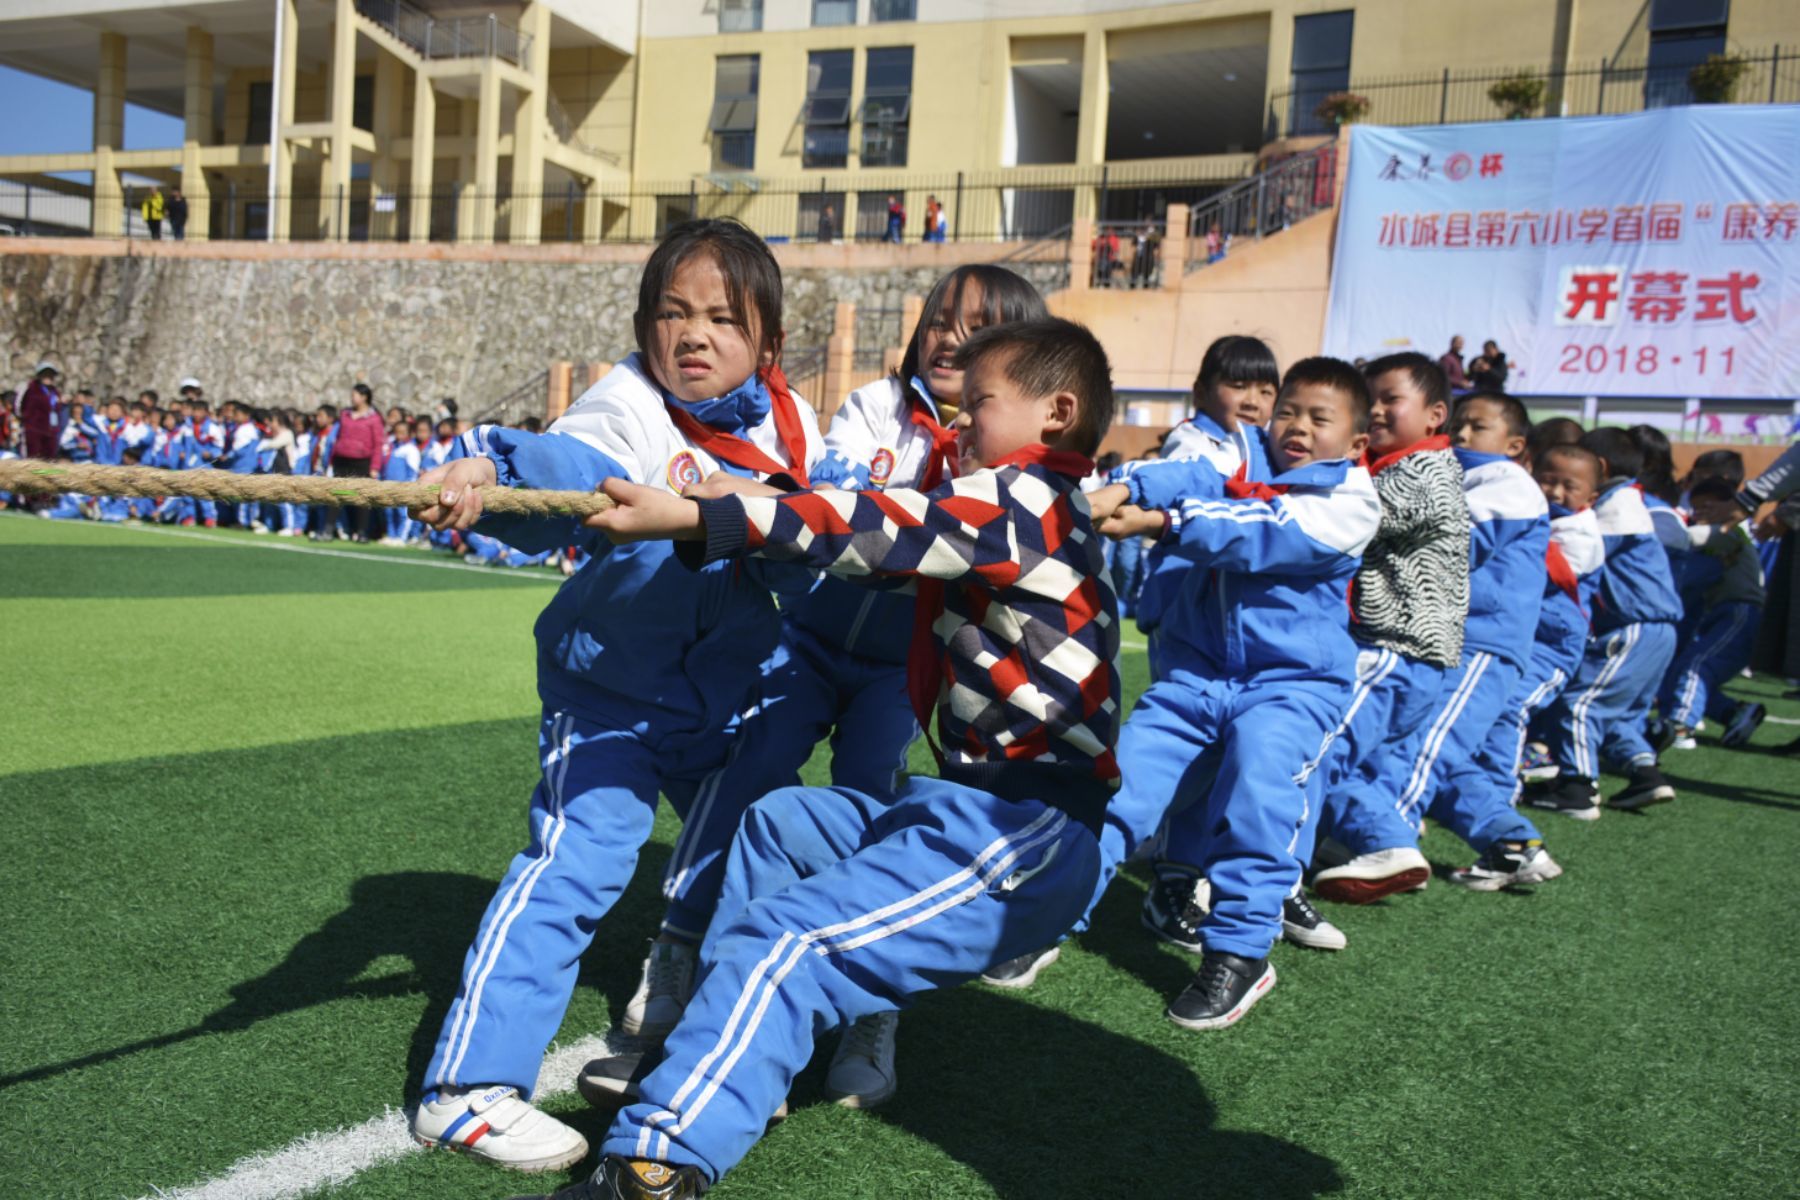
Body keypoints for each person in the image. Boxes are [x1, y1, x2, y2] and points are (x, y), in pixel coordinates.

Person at [546, 316, 1119, 1200]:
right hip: (958, 808)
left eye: (981, 407)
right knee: (783, 823)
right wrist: (750, 494)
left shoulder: (1022, 500)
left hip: (1021, 828)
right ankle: (733, 1061)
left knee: (793, 943)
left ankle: (649, 1166)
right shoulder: (1024, 506)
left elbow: (871, 527)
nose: (958, 427)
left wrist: (702, 514)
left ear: (1058, 412)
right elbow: (875, 534)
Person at [404, 218, 822, 1174]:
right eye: (672, 313)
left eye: (723, 317)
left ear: (768, 342)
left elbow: (812, 553)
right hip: (610, 696)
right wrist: (497, 472)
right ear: (643, 331)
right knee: (580, 862)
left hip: (732, 706)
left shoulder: (786, 422)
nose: (694, 334)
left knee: (753, 844)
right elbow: (571, 465)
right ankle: (464, 1091)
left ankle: (685, 1030)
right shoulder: (629, 403)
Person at [1042, 357, 1379, 1030]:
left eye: (1320, 419)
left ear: (1357, 441)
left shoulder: (1352, 498)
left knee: (1257, 800)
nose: (1297, 428)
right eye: (1288, 412)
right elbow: (1191, 473)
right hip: (1196, 680)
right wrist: (1122, 487)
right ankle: (1049, 917)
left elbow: (1265, 536)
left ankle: (1241, 952)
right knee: (1120, 789)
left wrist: (1161, 525)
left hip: (1291, 688)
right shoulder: (1243, 457)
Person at [1307, 354, 1470, 907]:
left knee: (1318, 749)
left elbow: (1358, 518)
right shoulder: (1409, 465)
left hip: (1391, 649)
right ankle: (1353, 844)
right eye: (1367, 400)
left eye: (1389, 400)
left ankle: (1386, 843)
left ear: (1436, 415)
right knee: (1365, 765)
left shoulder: (1421, 471)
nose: (1374, 411)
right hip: (1418, 659)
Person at [1528, 427, 1684, 818]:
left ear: (1598, 468)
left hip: (1635, 625)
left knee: (1579, 704)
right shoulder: (1629, 500)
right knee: (1616, 712)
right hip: (1655, 628)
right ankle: (1646, 775)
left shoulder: (1619, 504)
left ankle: (1578, 787)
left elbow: (1578, 547)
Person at [1103, 336, 1276, 687]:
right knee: (1179, 699)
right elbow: (1193, 485)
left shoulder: (1264, 451)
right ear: (1200, 393)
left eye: (1266, 391)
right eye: (1238, 386)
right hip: (1181, 602)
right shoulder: (1194, 442)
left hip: (1226, 607)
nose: (1252, 401)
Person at [1658, 477, 1766, 748]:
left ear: (1732, 507)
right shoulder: (1713, 539)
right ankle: (1735, 712)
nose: (1700, 514)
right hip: (1721, 615)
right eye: (1696, 508)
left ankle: (1681, 725)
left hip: (1740, 612)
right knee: (1682, 669)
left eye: (1709, 507)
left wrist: (1658, 533)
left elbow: (1694, 538)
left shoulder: (1730, 531)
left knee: (1697, 666)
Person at [330, 383, 388, 542]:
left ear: (364, 397)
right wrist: (331, 460)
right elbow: (338, 438)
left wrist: (375, 467)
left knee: (362, 498)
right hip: (341, 459)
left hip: (362, 461)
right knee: (335, 495)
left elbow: (378, 444)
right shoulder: (345, 414)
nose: (352, 397)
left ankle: (361, 531)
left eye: (355, 394)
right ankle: (328, 529)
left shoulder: (374, 418)